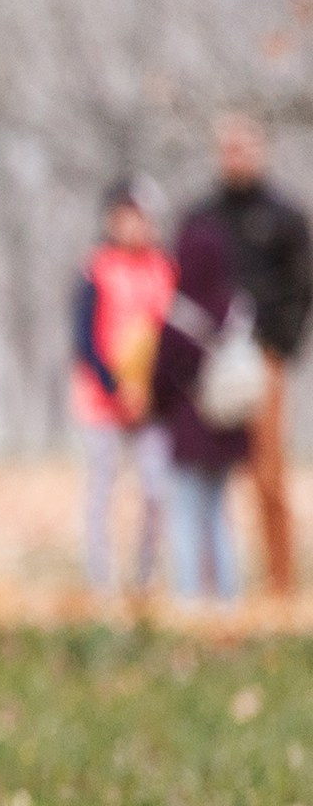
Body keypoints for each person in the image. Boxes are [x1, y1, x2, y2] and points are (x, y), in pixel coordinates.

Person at [187, 114, 310, 593]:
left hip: (262, 358)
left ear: (261, 151)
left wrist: (279, 346)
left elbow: (302, 285)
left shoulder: (284, 216)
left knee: (269, 475)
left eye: (246, 146)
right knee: (206, 471)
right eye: (229, 147)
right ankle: (210, 583)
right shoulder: (201, 217)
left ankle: (281, 583)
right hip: (207, 361)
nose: (237, 155)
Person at [71, 181, 175, 595]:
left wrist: (151, 389)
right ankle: (102, 583)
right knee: (101, 492)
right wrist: (117, 387)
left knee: (155, 490)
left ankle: (146, 578)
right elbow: (83, 338)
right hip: (102, 402)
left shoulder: (165, 269)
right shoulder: (96, 268)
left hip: (152, 402)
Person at [154, 212, 253, 604]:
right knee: (219, 515)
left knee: (185, 515)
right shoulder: (237, 308)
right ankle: (229, 596)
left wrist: (160, 408)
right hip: (229, 429)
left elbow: (162, 376)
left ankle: (189, 596)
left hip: (189, 427)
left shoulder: (180, 312)